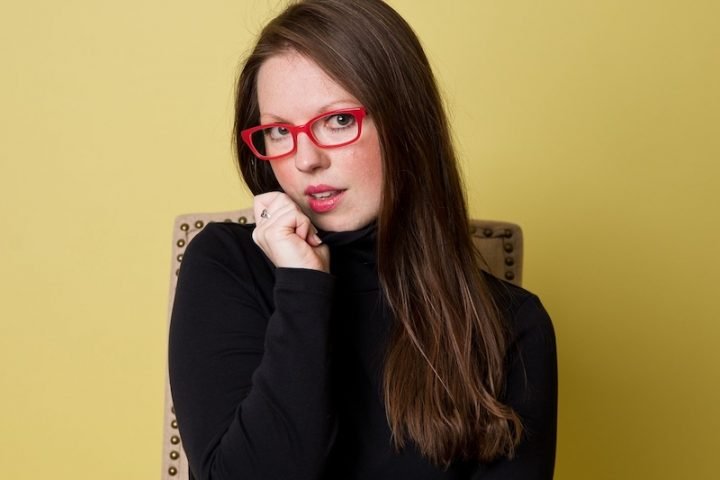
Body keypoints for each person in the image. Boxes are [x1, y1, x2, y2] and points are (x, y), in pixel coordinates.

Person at [168, 0, 557, 479]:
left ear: (406, 124)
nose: (306, 159)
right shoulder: (226, 265)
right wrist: (302, 287)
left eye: (337, 121)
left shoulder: (511, 325)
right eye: (279, 130)